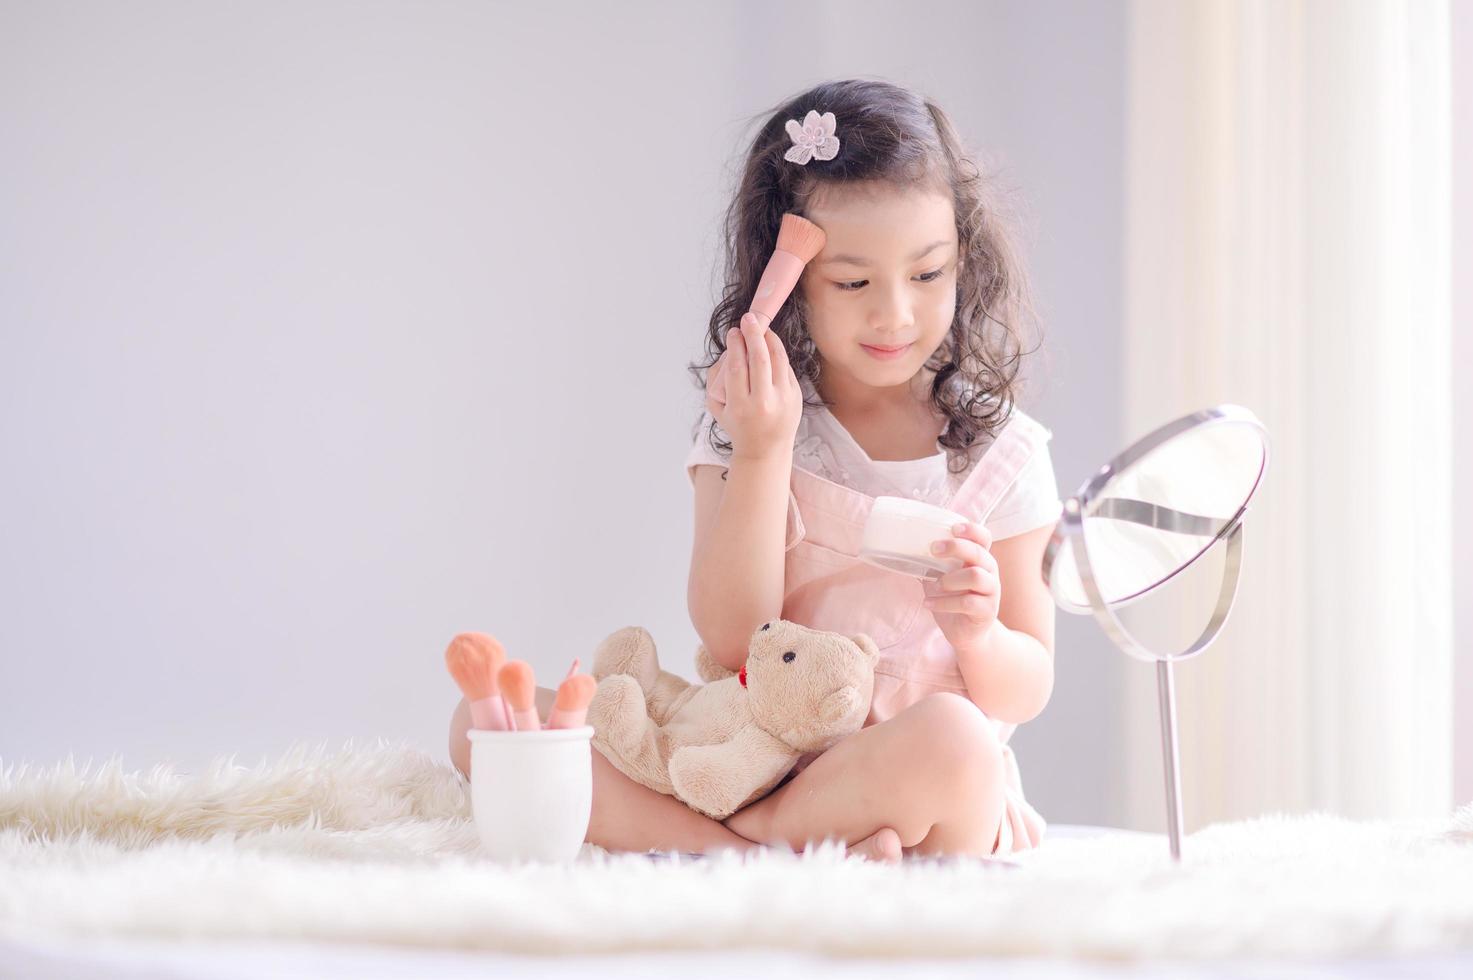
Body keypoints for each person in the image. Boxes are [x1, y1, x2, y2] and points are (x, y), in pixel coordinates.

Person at [452, 78, 1063, 863]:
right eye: (851, 282)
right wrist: (764, 449)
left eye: (927, 273)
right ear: (789, 279)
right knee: (488, 719)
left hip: (898, 768)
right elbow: (736, 638)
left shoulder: (997, 450)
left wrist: (979, 635)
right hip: (748, 757)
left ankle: (742, 848)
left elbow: (1025, 689)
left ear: (963, 263)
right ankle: (754, 852)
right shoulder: (753, 421)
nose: (895, 314)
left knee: (957, 741)